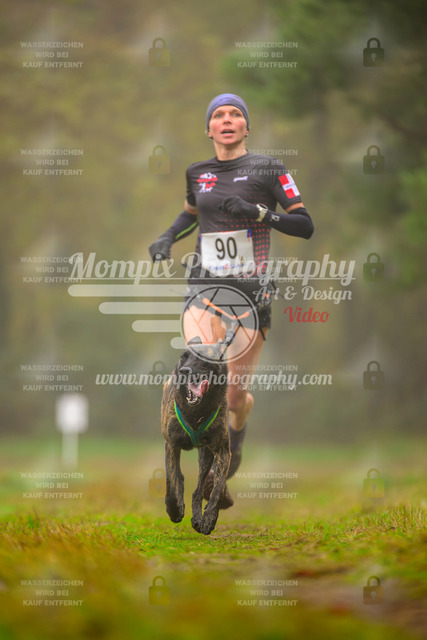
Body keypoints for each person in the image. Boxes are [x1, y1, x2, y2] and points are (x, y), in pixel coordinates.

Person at [149, 93, 313, 505]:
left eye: (235, 114)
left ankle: (232, 445)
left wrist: (258, 212)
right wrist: (167, 236)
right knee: (196, 365)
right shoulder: (197, 172)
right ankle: (200, 463)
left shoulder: (269, 169)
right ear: (208, 129)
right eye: (218, 115)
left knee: (235, 397)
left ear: (246, 127)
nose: (226, 120)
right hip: (204, 287)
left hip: (251, 294)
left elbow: (304, 224)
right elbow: (191, 214)